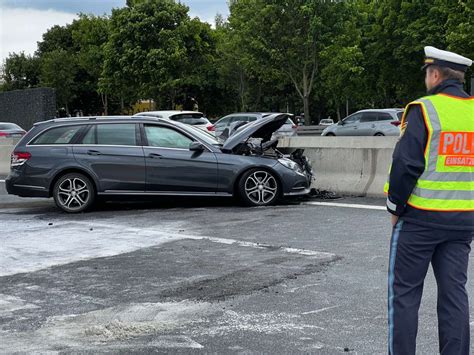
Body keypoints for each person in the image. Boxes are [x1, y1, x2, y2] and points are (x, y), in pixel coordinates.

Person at [384, 46, 473, 354]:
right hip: (463, 222)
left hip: (420, 220)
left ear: (435, 74)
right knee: (454, 296)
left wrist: (395, 208)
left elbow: (405, 165)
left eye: (426, 73)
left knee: (405, 296)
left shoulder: (423, 109)